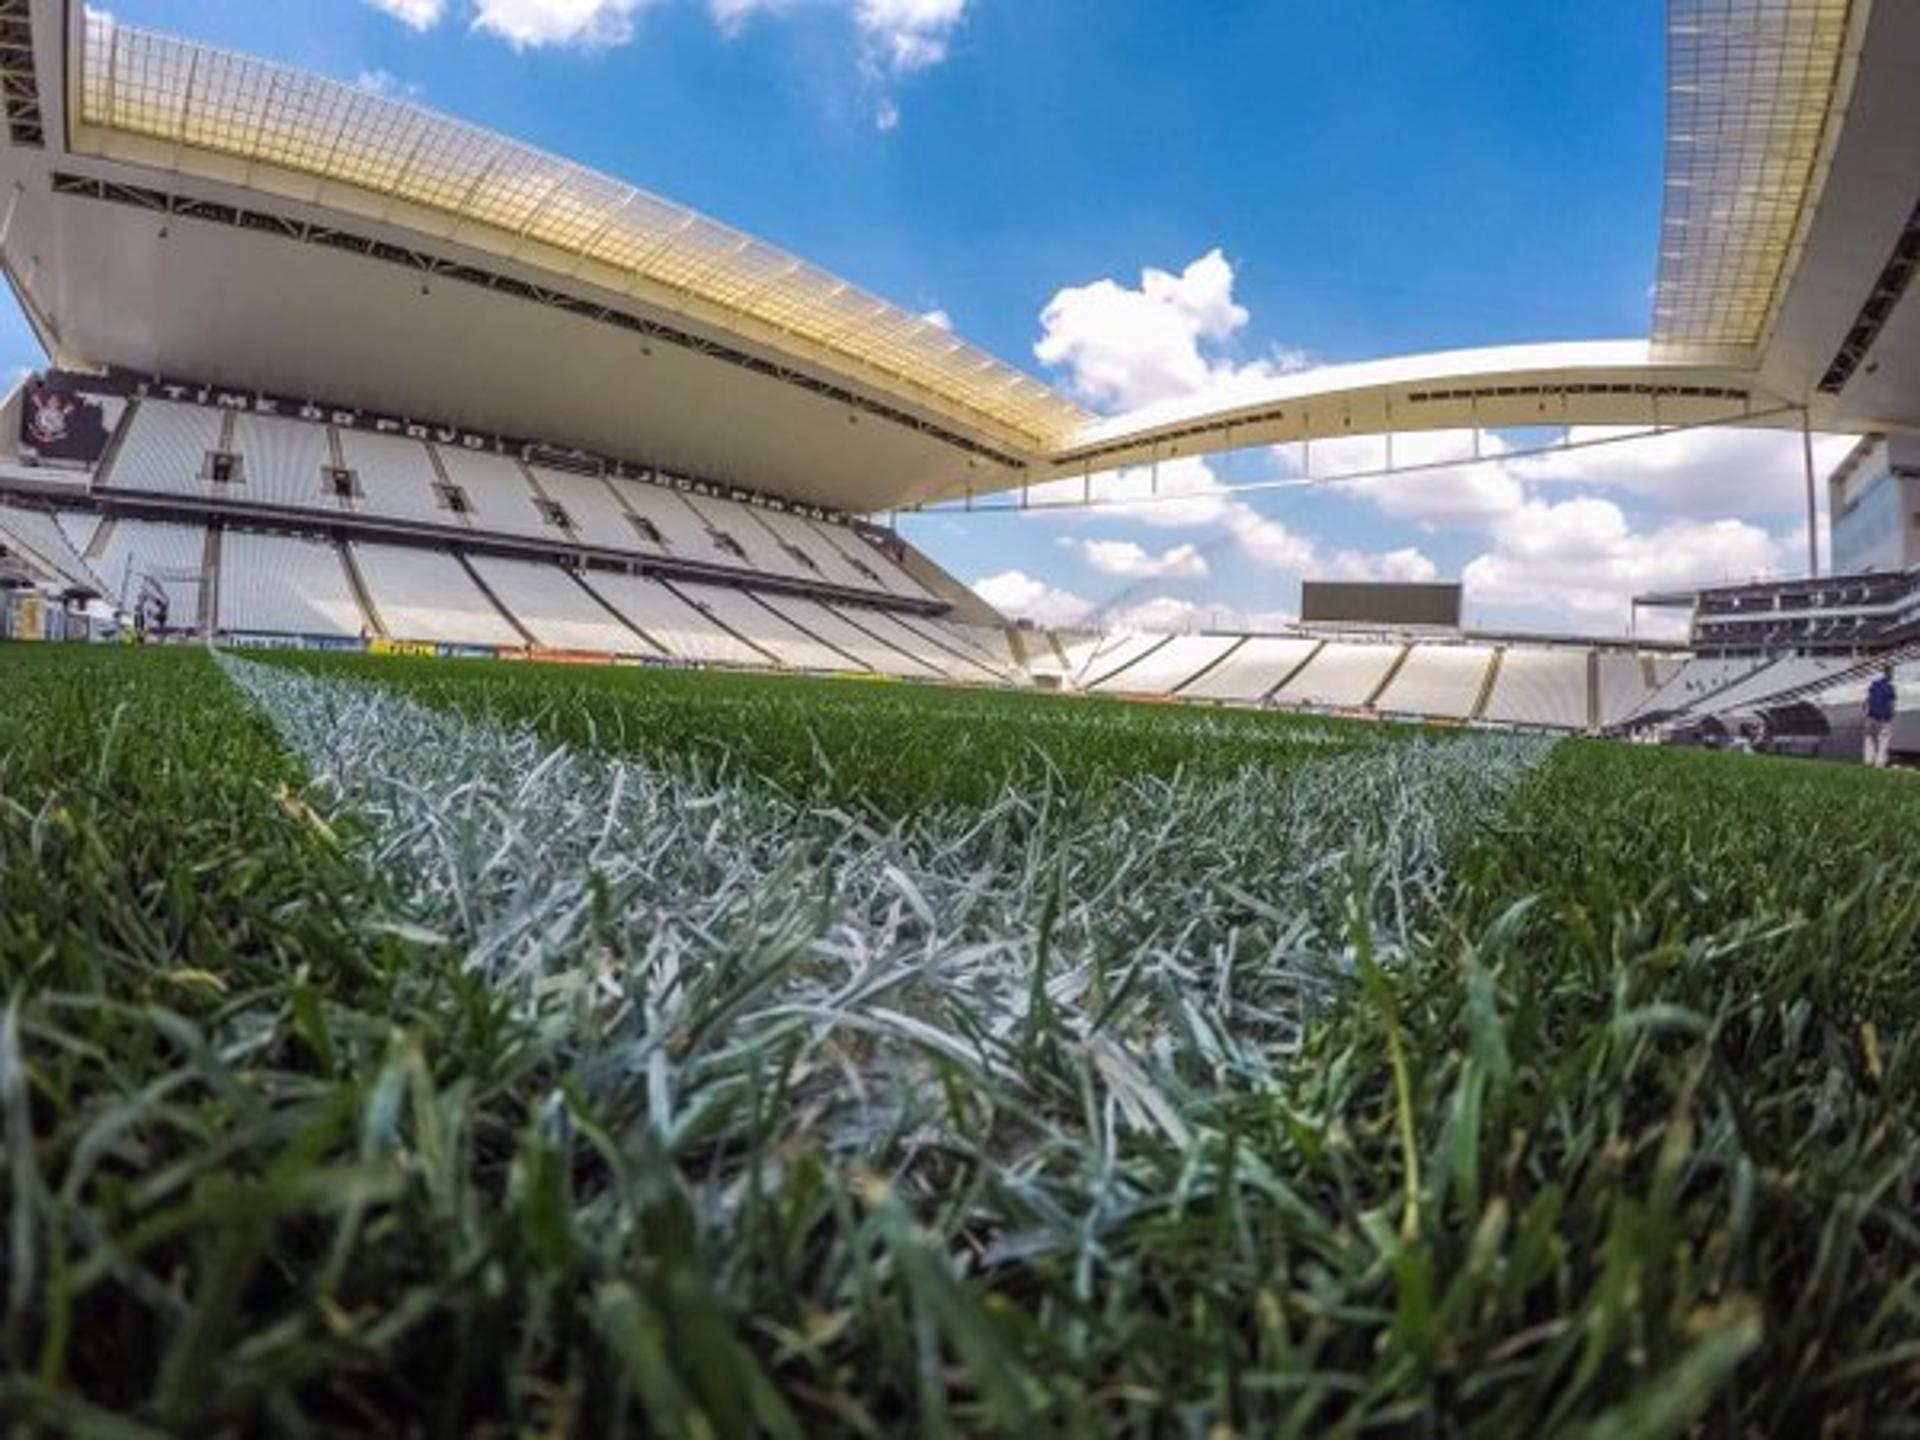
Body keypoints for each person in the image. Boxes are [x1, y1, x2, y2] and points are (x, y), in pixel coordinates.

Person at [1863, 667, 1897, 768]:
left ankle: (1868, 760)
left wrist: (1865, 713)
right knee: (1883, 740)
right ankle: (1879, 763)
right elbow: (1892, 703)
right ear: (1889, 674)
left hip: (1871, 716)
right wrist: (1891, 715)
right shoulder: (1890, 687)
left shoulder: (1874, 685)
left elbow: (1867, 700)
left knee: (1869, 738)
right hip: (1884, 718)